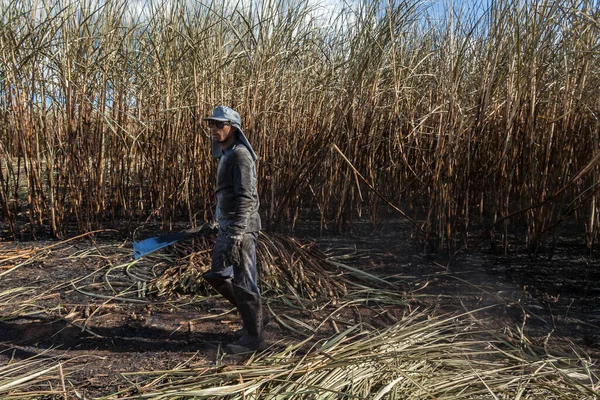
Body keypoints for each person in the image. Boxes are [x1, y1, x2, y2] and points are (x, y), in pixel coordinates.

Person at [201, 106, 267, 354]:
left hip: (243, 228)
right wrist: (219, 222)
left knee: (244, 281)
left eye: (220, 124)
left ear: (233, 127)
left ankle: (254, 340)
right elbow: (227, 197)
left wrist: (238, 232)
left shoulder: (240, 156)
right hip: (228, 225)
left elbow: (246, 198)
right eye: (212, 124)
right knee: (218, 274)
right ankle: (257, 318)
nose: (214, 129)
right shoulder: (227, 155)